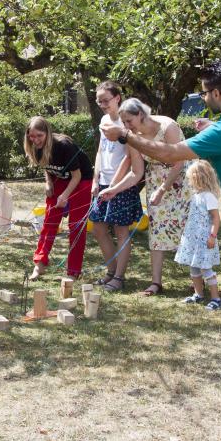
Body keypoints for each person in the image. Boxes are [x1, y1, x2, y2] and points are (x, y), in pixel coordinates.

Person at [101, 60, 221, 385]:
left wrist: (125, 136)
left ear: (217, 92)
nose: (203, 98)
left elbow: (169, 154)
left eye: (204, 93)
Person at [109, 98, 191, 296]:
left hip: (181, 181)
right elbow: (136, 173)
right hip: (155, 181)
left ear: (140, 114)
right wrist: (114, 189)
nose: (127, 126)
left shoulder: (168, 126)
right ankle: (156, 283)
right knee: (157, 231)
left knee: (188, 228)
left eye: (129, 121)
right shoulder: (133, 137)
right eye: (124, 123)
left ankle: (197, 280)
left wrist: (163, 189)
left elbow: (179, 161)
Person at [89, 81, 144, 292]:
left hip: (121, 185)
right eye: (99, 101)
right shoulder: (104, 120)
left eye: (106, 100)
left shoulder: (127, 122)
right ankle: (111, 272)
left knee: (121, 231)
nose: (102, 104)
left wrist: (114, 185)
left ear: (117, 98)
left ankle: (119, 278)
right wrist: (96, 179)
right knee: (98, 228)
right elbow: (101, 151)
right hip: (103, 182)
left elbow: (130, 159)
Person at [24, 116, 94, 280]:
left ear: (47, 133)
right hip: (59, 179)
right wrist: (48, 182)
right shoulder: (34, 147)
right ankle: (39, 264)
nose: (36, 140)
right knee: (49, 222)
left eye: (39, 136)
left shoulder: (64, 146)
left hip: (81, 180)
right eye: (32, 136)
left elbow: (76, 176)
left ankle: (73, 271)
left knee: (76, 226)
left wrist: (64, 196)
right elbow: (47, 167)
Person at [174, 160, 221, 310]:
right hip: (193, 239)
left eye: (190, 178)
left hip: (204, 239)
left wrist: (212, 236)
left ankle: (216, 299)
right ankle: (199, 294)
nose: (189, 181)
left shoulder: (208, 196)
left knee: (206, 268)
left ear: (198, 178)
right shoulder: (196, 195)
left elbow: (216, 218)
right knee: (194, 268)